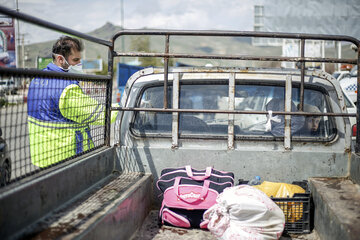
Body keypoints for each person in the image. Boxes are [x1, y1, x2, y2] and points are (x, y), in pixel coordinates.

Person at [27, 36, 117, 168]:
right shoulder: (66, 88)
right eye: (75, 60)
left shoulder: (36, 80)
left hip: (42, 158)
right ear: (60, 59)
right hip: (67, 159)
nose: (79, 64)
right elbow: (100, 114)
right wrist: (122, 108)